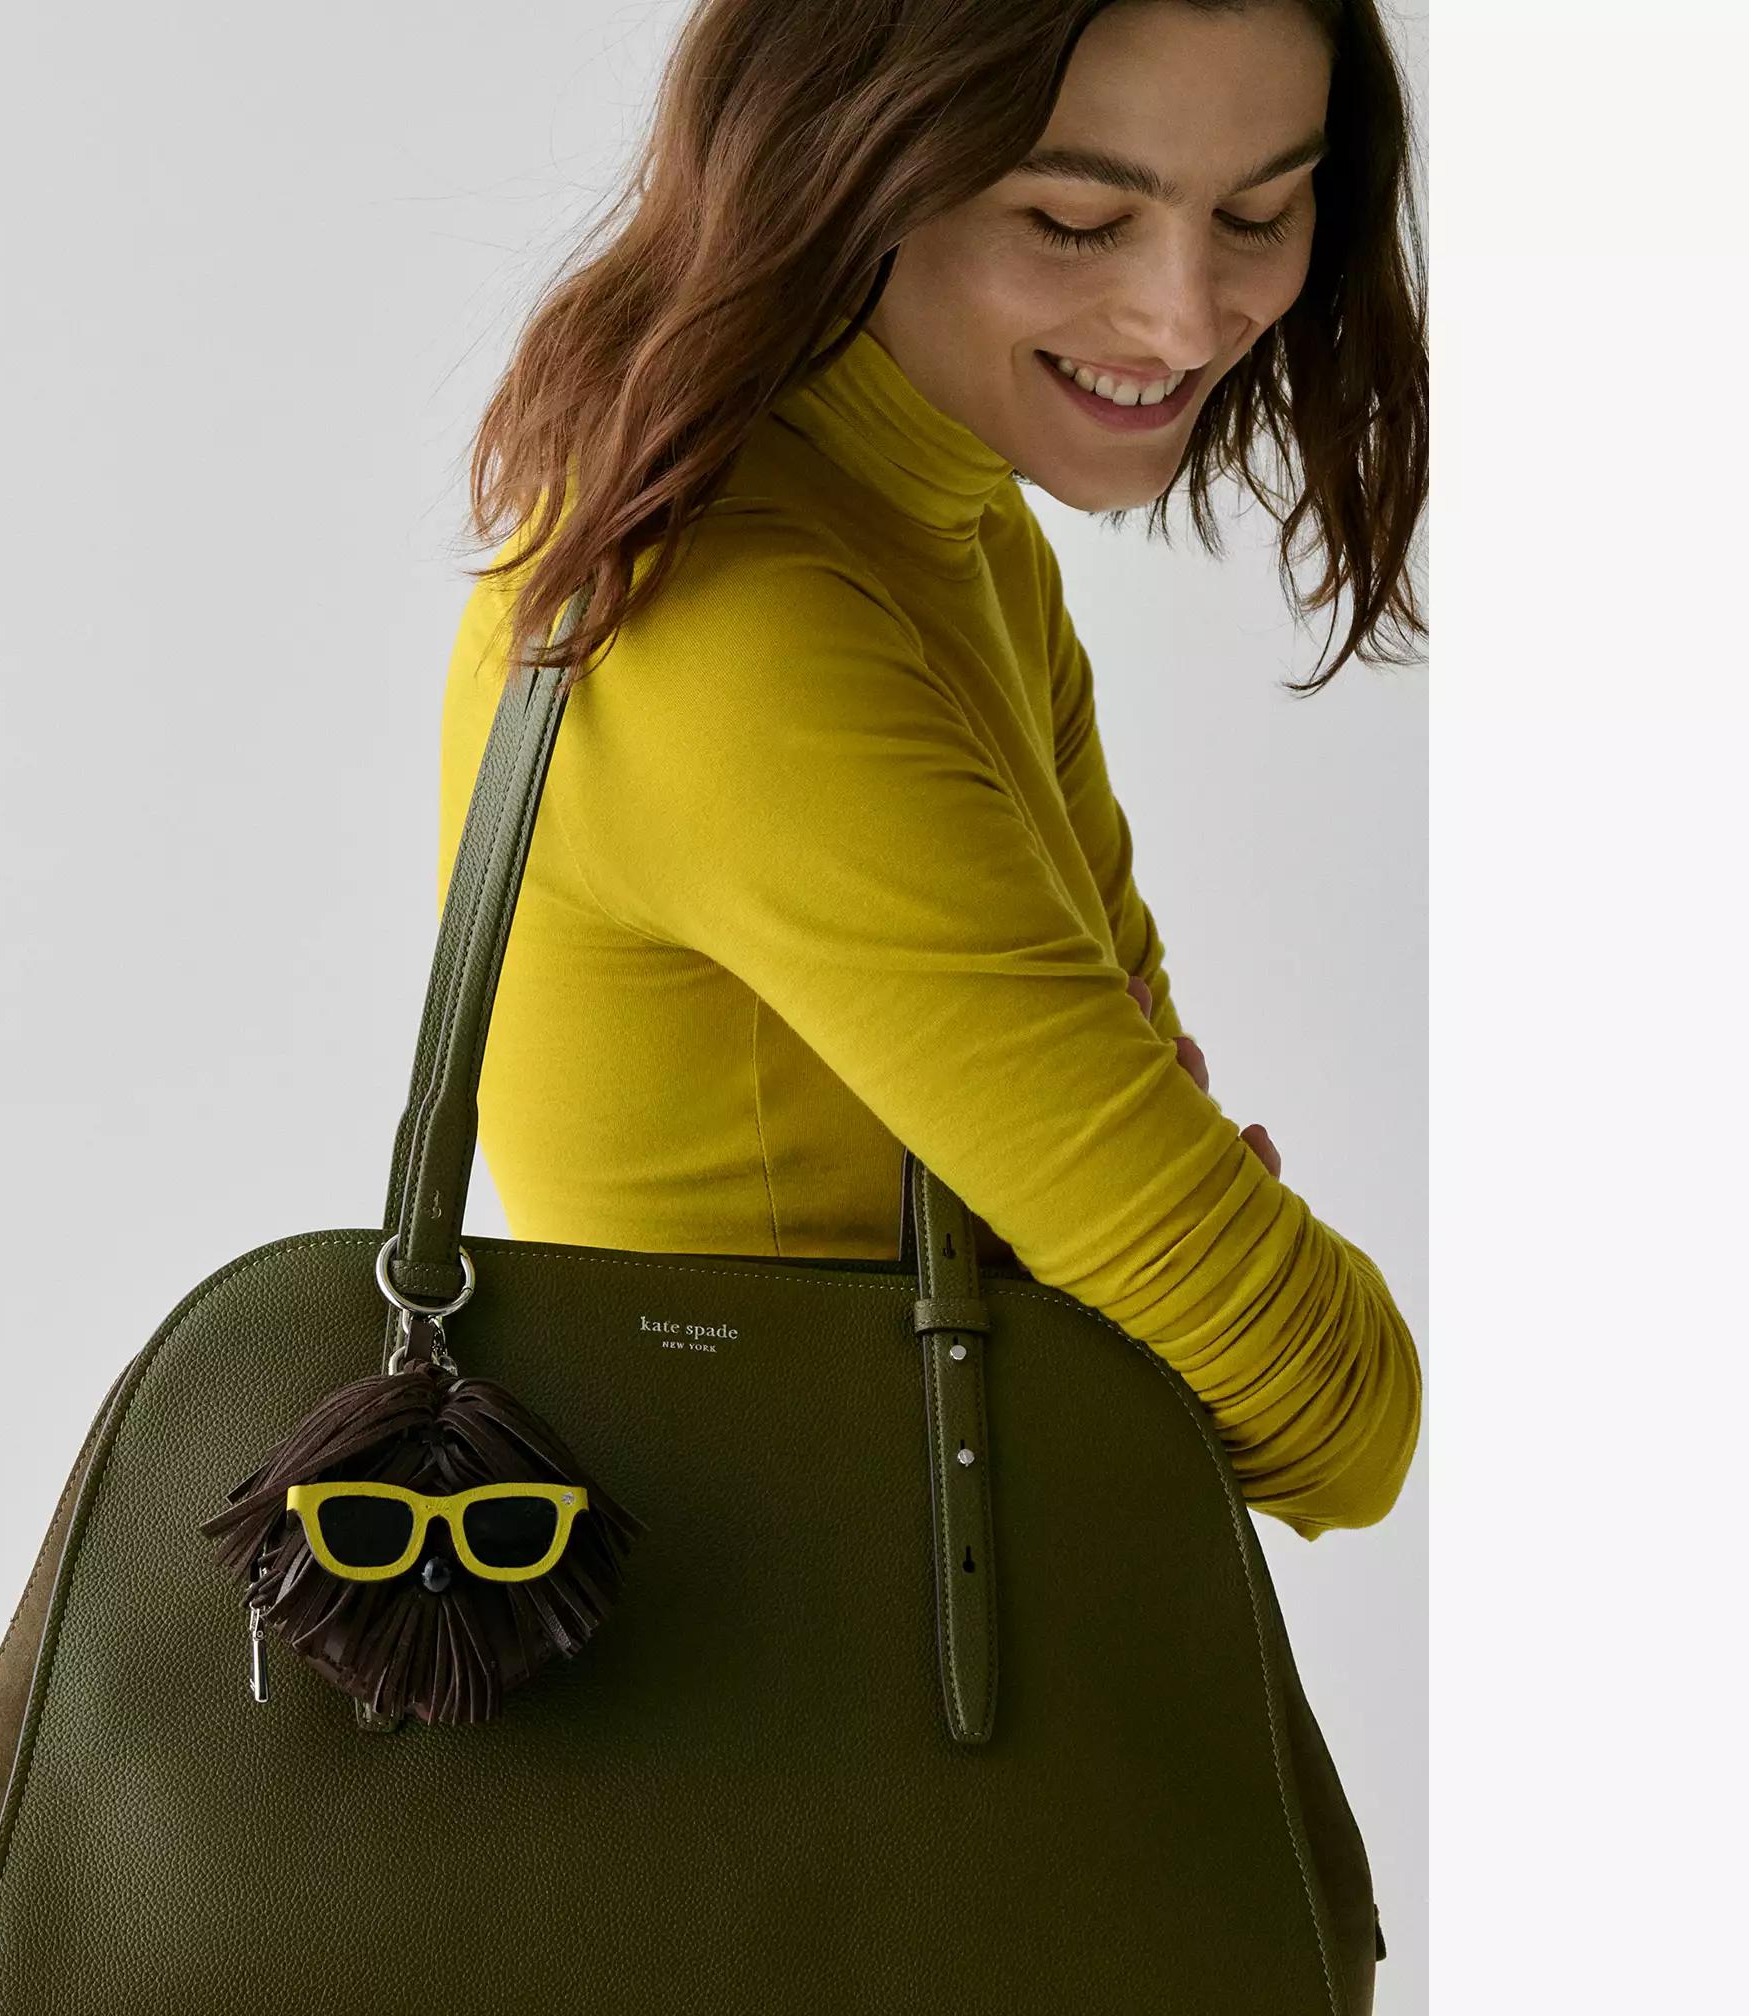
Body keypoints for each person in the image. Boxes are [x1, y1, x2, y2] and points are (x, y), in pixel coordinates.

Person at [434, 0, 1424, 1539]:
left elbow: (1159, 1146)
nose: (1185, 319)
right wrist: (1154, 1233)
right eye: (1076, 220)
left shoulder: (955, 533)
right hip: (797, 1643)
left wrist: (1150, 1212)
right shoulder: (750, 633)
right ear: (849, 164)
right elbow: (1329, 1416)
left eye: (1258, 215)